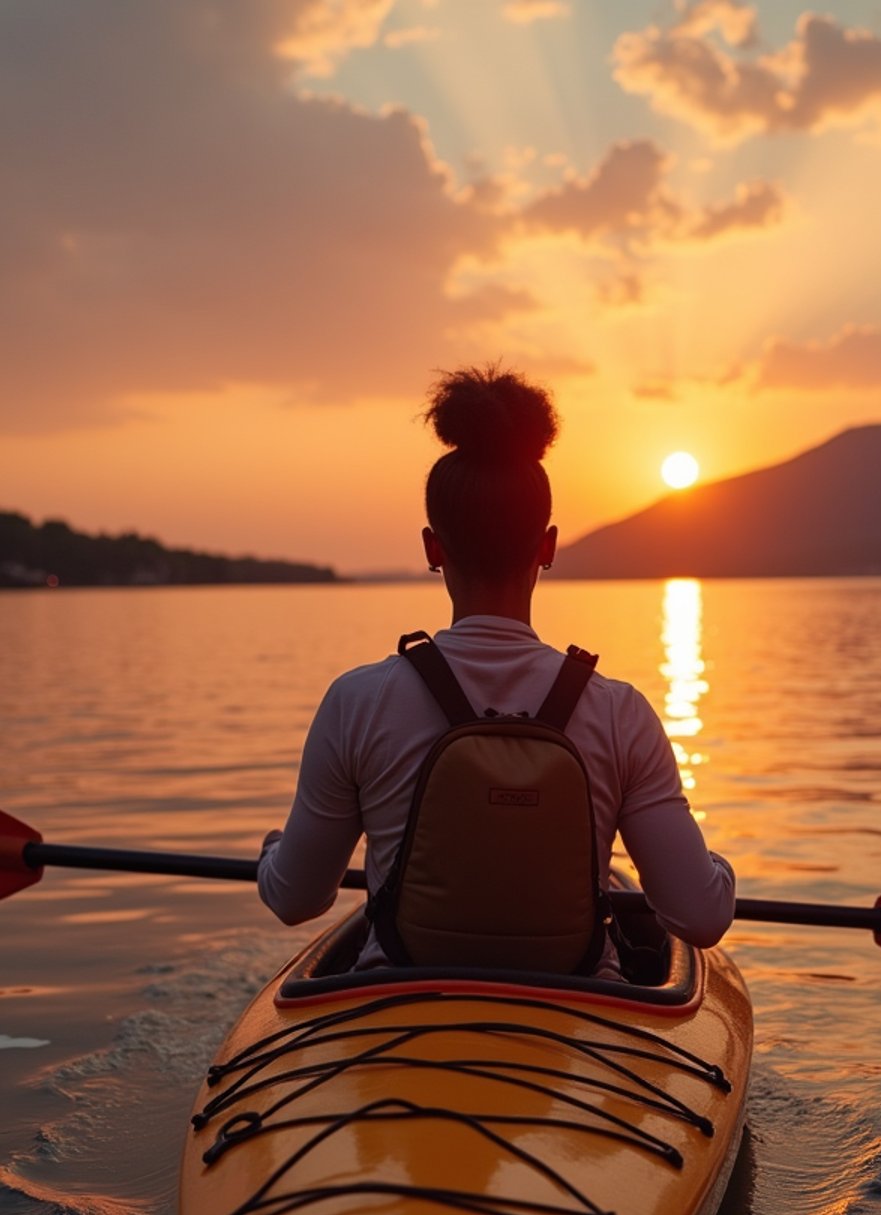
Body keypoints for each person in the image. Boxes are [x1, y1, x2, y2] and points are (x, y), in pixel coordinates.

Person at [258, 364, 735, 971]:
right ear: (548, 546)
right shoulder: (620, 713)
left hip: (394, 1009)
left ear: (433, 548)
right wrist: (714, 866)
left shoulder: (358, 701)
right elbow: (701, 916)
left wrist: (272, 853)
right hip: (580, 1023)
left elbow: (294, 899)